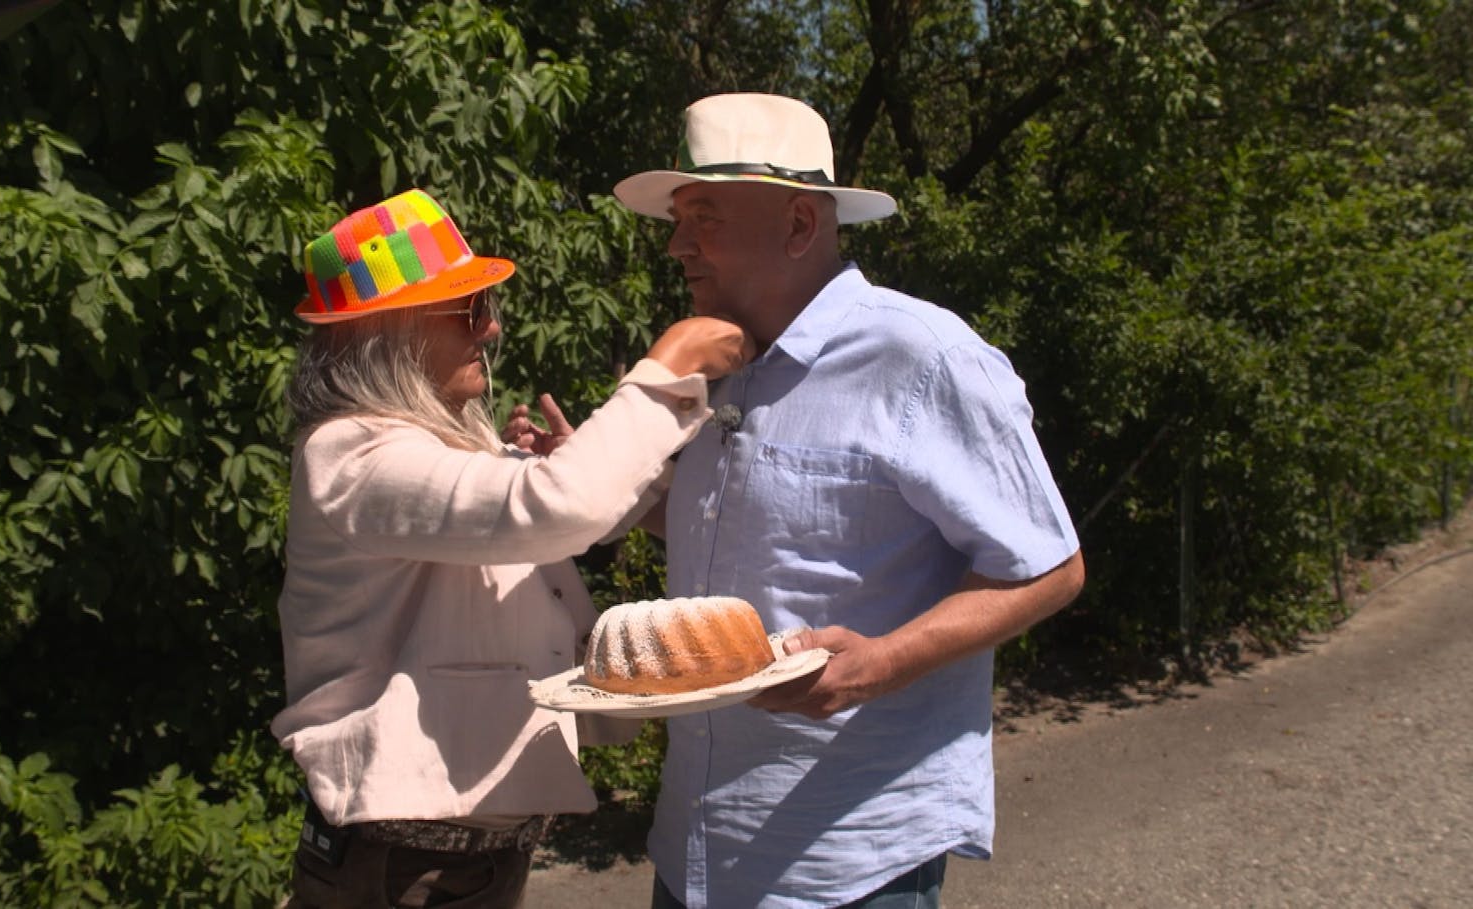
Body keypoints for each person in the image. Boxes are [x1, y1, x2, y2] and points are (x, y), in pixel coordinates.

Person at [612, 93, 1087, 908]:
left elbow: (1048, 565)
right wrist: (588, 484)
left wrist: (878, 665)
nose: (675, 243)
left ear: (800, 224)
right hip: (694, 848)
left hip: (848, 860)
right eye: (679, 217)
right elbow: (732, 525)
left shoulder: (922, 356)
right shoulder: (715, 364)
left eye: (705, 216)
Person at [271, 187, 751, 908]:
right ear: (384, 330)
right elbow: (564, 512)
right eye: (467, 309)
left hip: (442, 863)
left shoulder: (413, 443)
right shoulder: (350, 454)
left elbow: (557, 522)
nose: (490, 329)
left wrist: (556, 469)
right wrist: (665, 372)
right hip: (407, 870)